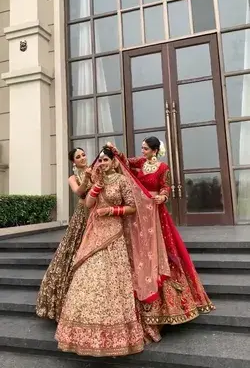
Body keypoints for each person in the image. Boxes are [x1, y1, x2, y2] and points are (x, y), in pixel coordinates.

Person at [106, 138, 215, 343]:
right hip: (139, 213)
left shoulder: (163, 167)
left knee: (161, 250)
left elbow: (166, 187)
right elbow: (125, 163)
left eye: (146, 148)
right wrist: (114, 151)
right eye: (142, 148)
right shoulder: (140, 162)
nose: (142, 150)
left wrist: (163, 197)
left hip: (155, 213)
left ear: (155, 150)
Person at [55, 147, 145, 357]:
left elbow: (132, 208)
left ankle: (116, 337)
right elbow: (87, 204)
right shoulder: (97, 180)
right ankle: (82, 334)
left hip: (114, 233)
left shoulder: (122, 181)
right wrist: (96, 188)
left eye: (106, 160)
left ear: (114, 162)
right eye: (101, 160)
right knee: (88, 276)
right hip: (94, 233)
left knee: (113, 280)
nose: (102, 163)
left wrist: (113, 210)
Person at [36, 148, 92, 322]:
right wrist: (88, 177)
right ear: (73, 162)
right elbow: (80, 192)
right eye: (78, 157)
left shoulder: (96, 169)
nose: (82, 158)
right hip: (82, 216)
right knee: (73, 249)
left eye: (83, 155)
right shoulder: (73, 178)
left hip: (98, 213)